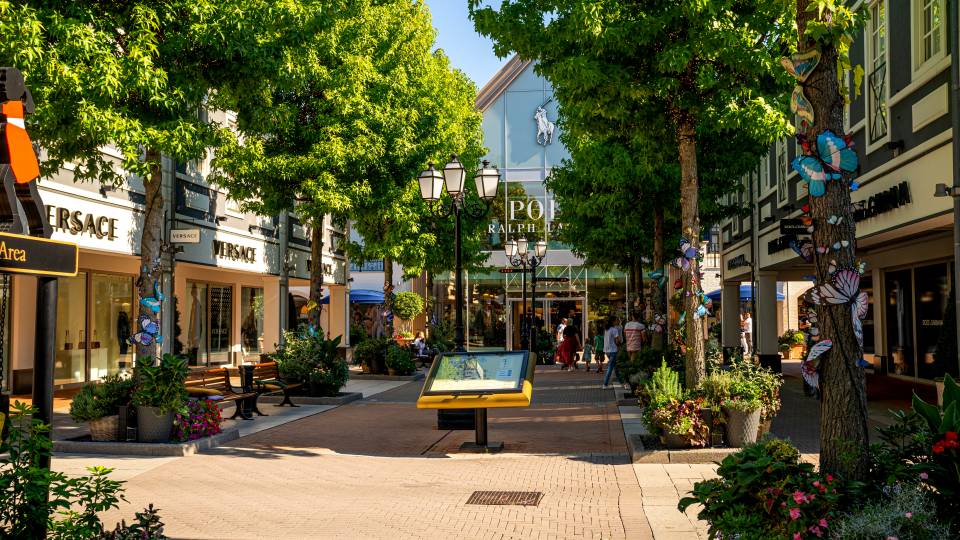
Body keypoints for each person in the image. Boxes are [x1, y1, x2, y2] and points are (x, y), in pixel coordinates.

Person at [602, 316, 622, 388]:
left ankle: (621, 382)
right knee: (610, 368)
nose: (618, 322)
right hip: (613, 350)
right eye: (617, 320)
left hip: (606, 350)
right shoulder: (614, 330)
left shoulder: (607, 329)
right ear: (613, 321)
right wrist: (620, 344)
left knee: (615, 366)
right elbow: (617, 340)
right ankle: (605, 384)